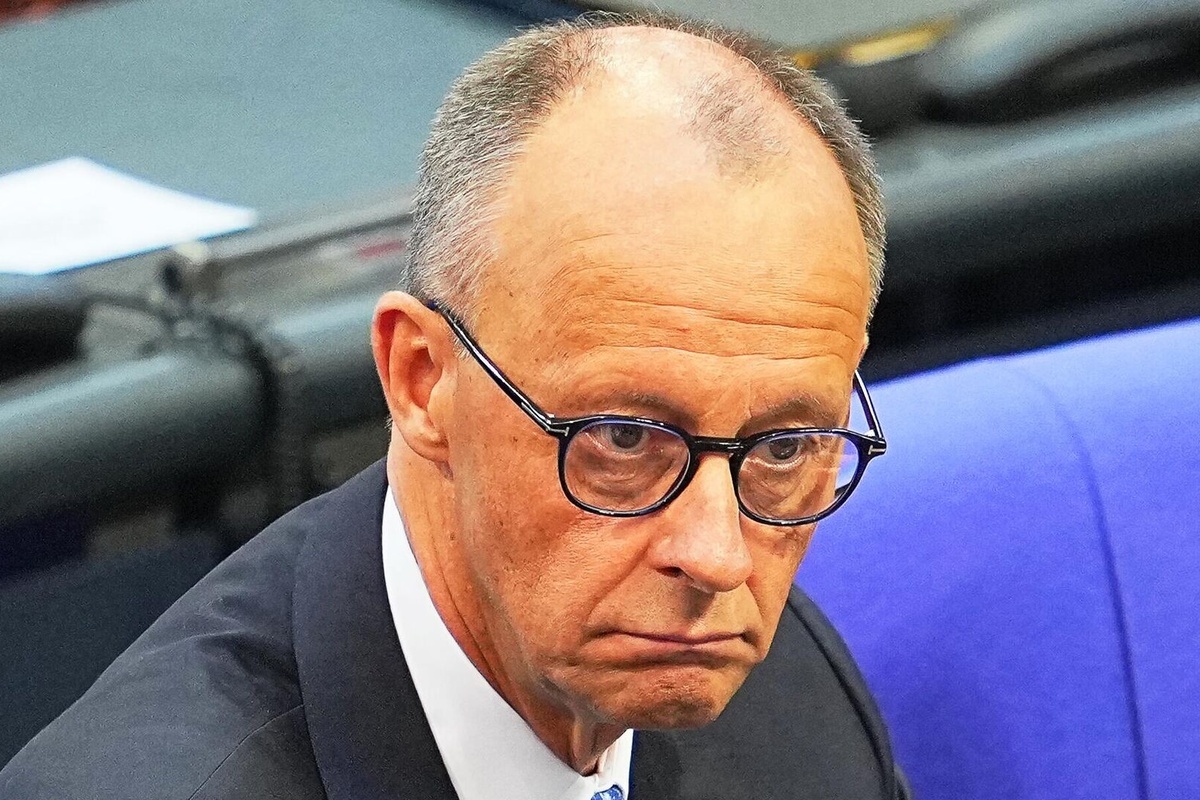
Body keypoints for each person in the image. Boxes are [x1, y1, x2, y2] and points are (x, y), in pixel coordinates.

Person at [0, 13, 907, 800]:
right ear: (421, 378)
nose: (716, 557)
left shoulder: (792, 704)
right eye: (625, 438)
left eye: (784, 446)